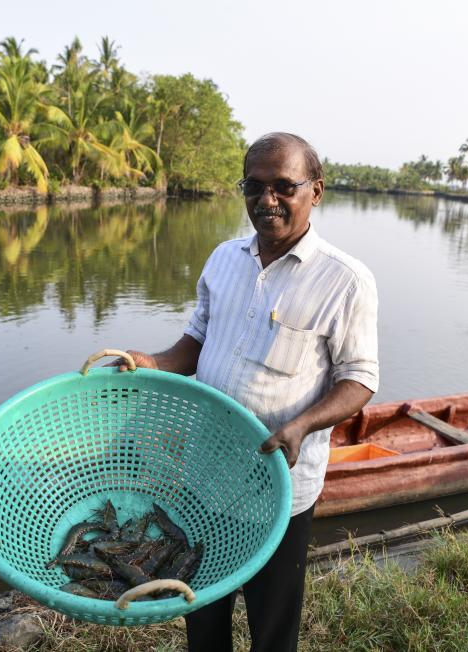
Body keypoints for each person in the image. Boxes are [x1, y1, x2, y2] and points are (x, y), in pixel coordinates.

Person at [121, 132, 379, 651]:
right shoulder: (223, 258)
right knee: (203, 610)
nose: (267, 200)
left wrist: (303, 425)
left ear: (316, 191)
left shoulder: (345, 280)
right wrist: (152, 363)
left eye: (284, 186)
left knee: (272, 623)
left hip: (278, 485)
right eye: (254, 186)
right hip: (204, 476)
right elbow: (196, 339)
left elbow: (359, 380)